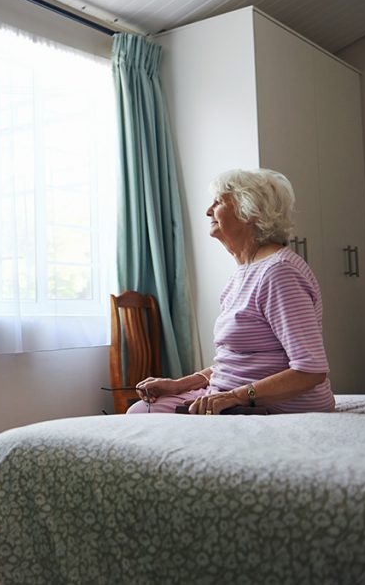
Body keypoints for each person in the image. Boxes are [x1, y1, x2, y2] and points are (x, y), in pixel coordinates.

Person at [129, 168, 335, 415]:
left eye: (218, 202)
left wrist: (236, 396)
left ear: (249, 211)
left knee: (141, 417)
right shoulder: (244, 273)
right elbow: (236, 361)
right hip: (227, 396)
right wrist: (178, 385)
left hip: (274, 405)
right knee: (142, 410)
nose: (208, 211)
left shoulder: (280, 273)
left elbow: (310, 371)